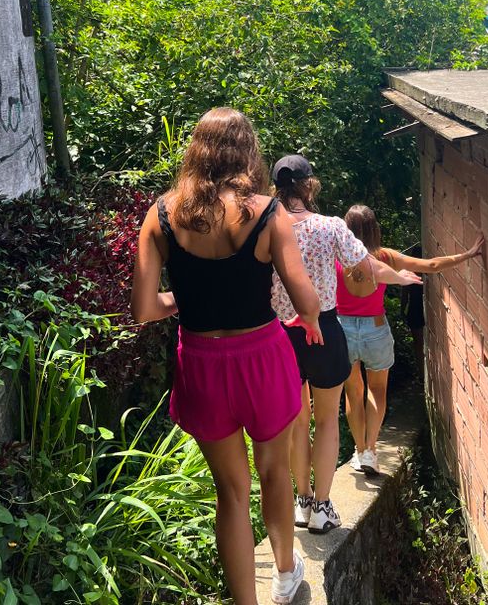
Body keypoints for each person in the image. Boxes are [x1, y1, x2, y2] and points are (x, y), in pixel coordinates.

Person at [131, 109, 323, 605]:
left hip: (201, 364)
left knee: (231, 493)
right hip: (262, 357)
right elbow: (307, 304)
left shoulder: (162, 214)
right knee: (274, 472)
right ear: (247, 153)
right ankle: (286, 574)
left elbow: (144, 308)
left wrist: (183, 300)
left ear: (196, 151)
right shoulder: (268, 212)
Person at [269, 155, 421, 536]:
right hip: (323, 330)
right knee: (326, 421)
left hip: (282, 335)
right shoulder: (330, 226)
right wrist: (401, 278)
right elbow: (367, 267)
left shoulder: (265, 228)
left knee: (297, 421)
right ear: (308, 185)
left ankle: (302, 501)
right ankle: (322, 507)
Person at [338, 205, 484, 475]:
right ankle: (370, 451)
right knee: (377, 391)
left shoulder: (336, 256)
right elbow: (431, 265)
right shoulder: (385, 257)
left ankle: (359, 450)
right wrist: (467, 254)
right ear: (374, 229)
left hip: (342, 330)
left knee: (353, 392)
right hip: (375, 331)